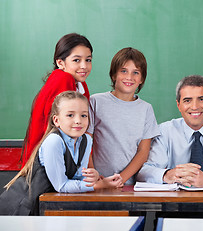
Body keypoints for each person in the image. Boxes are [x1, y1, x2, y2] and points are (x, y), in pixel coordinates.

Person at [0, 91, 122, 215]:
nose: (78, 121)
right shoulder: (54, 141)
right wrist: (98, 185)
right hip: (21, 208)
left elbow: (77, 178)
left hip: (47, 206)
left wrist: (94, 177)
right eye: (70, 115)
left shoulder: (86, 140)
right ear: (56, 120)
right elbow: (62, 186)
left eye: (84, 115)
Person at [88, 47, 160, 185]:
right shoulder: (95, 102)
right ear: (114, 75)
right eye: (124, 71)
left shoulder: (146, 109)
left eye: (136, 72)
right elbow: (85, 142)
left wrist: (121, 178)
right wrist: (95, 176)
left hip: (129, 184)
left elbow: (143, 152)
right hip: (97, 181)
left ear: (141, 79)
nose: (129, 77)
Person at [20, 33, 93, 168]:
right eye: (76, 60)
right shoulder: (63, 79)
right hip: (47, 163)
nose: (84, 66)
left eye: (88, 60)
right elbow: (61, 129)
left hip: (60, 159)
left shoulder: (81, 84)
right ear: (61, 63)